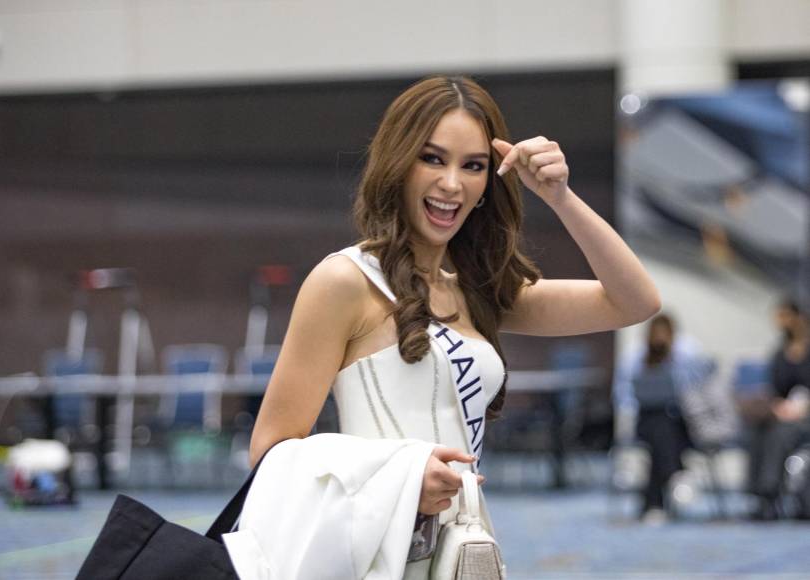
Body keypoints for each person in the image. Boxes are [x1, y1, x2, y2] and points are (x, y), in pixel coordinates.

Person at [248, 75, 661, 577]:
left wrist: (559, 196)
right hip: (376, 554)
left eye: (474, 167)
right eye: (432, 158)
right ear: (397, 163)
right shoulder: (345, 281)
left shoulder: (478, 292)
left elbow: (635, 301)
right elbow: (270, 453)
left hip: (463, 549)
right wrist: (401, 478)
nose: (451, 184)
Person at [613, 313, 720, 522]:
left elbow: (701, 383)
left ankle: (654, 503)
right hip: (646, 418)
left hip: (684, 420)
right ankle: (677, 475)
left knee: (664, 432)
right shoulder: (635, 355)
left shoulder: (687, 351)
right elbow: (622, 392)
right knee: (660, 427)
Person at [745, 299, 810, 520]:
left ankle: (769, 492)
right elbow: (774, 388)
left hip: (805, 417)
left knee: (780, 434)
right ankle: (759, 496)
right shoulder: (779, 353)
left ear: (798, 317)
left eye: (784, 317)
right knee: (757, 429)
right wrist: (777, 406)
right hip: (783, 414)